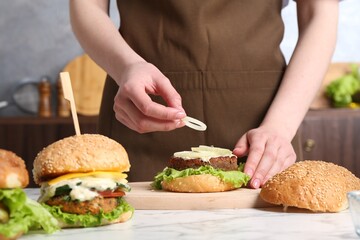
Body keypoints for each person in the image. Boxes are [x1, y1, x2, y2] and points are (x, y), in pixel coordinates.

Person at [69, 0, 339, 188]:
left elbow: (320, 12)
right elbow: (87, 5)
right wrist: (127, 66)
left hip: (266, 120)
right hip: (143, 110)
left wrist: (279, 127)